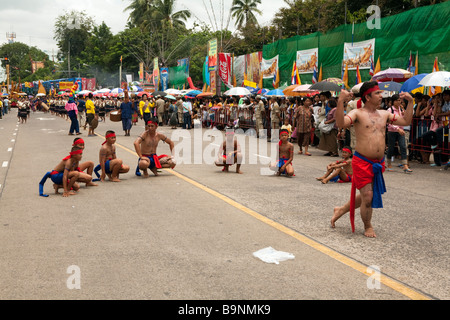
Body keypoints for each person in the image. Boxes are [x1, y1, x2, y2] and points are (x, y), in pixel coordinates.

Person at [332, 81, 414, 238]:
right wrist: (340, 101)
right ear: (367, 97)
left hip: (378, 163)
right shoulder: (357, 113)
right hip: (362, 161)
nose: (381, 96)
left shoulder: (385, 114)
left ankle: (341, 209)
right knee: (368, 195)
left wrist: (410, 102)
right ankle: (368, 225)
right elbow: (340, 123)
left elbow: (405, 121)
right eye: (377, 93)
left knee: (366, 194)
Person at [386, 94, 412, 173]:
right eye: (397, 100)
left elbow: (404, 119)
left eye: (399, 100)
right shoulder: (390, 110)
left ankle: (405, 165)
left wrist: (404, 112)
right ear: (393, 101)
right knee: (391, 147)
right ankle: (389, 163)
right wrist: (397, 129)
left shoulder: (401, 109)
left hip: (401, 130)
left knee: (403, 146)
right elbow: (389, 122)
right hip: (392, 131)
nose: (399, 102)